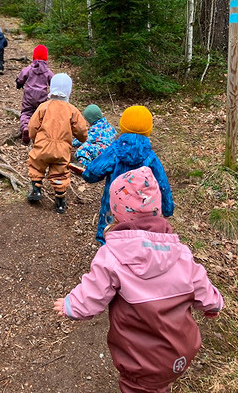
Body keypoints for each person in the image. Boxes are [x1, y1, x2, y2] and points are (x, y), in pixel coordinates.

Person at [54, 166, 224, 393]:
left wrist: (71, 305)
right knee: (159, 384)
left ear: (116, 212)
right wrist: (214, 304)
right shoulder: (181, 252)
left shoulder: (112, 255)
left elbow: (93, 292)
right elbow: (202, 284)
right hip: (181, 350)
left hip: (141, 360)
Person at [71, 105, 174, 244]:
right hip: (143, 209)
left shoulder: (115, 151)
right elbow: (163, 185)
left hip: (114, 206)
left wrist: (87, 174)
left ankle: (107, 253)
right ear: (148, 129)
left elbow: (95, 171)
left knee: (110, 233)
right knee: (139, 238)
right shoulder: (150, 156)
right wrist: (167, 209)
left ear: (123, 126)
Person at [27, 73, 87, 214]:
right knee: (60, 173)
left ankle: (36, 189)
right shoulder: (72, 110)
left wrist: (34, 138)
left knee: (36, 165)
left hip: (42, 145)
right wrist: (82, 138)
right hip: (62, 149)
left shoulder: (44, 107)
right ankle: (60, 202)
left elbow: (32, 126)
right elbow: (82, 130)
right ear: (68, 91)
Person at [16, 45, 54, 144]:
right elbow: (53, 81)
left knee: (26, 112)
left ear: (33, 56)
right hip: (42, 97)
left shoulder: (29, 68)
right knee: (40, 114)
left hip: (29, 95)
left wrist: (19, 83)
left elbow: (21, 77)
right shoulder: (47, 71)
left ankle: (25, 127)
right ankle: (38, 132)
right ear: (46, 57)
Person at [72, 104, 117, 168]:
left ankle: (83, 164)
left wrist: (73, 142)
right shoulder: (109, 127)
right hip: (111, 152)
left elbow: (85, 138)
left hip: (102, 151)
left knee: (84, 148)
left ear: (90, 119)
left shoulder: (96, 129)